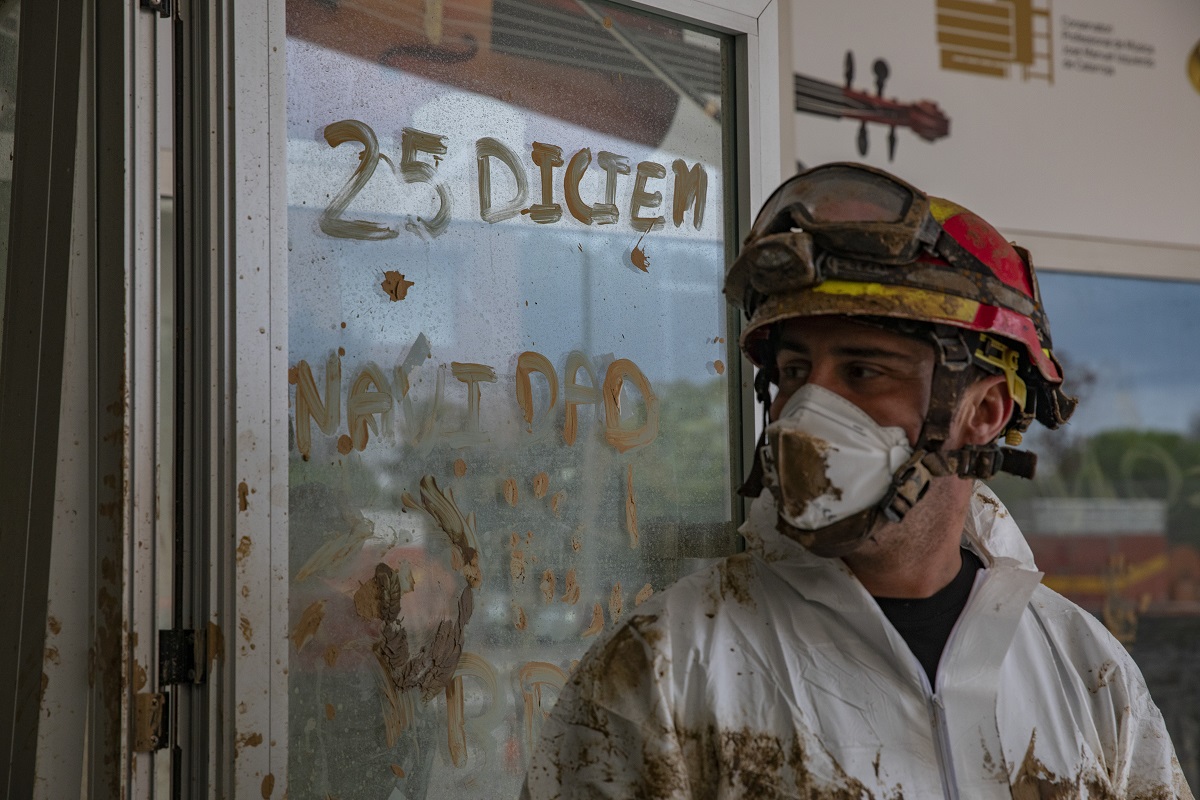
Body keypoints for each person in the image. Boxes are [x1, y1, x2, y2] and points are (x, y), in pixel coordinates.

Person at [520, 163, 1195, 799]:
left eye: (864, 371)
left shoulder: (1084, 669)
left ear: (982, 413)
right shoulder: (663, 665)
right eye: (792, 373)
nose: (807, 411)